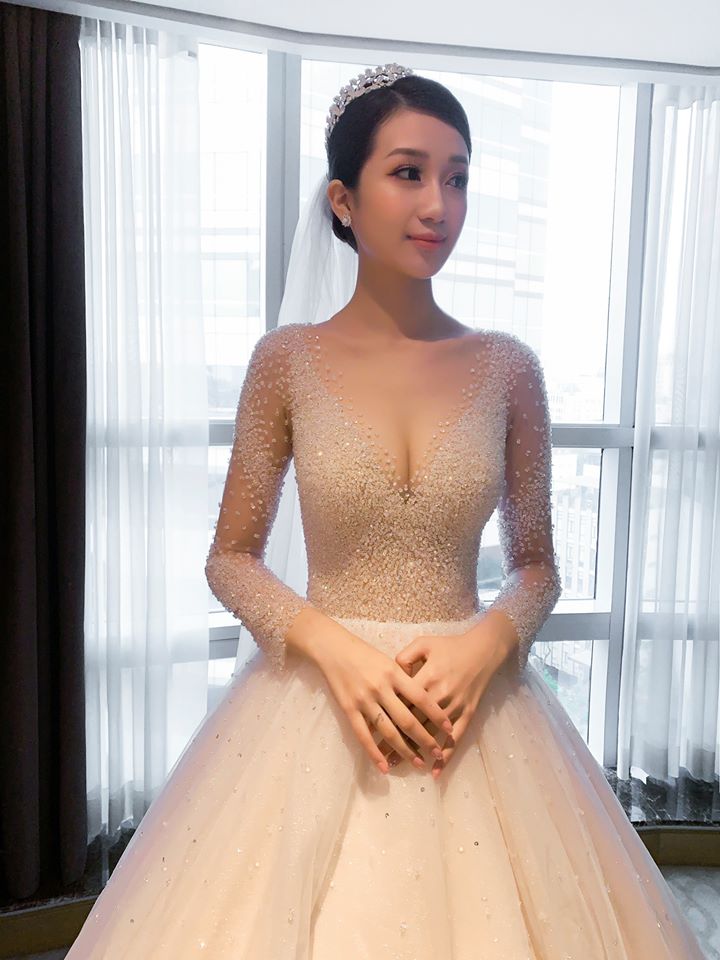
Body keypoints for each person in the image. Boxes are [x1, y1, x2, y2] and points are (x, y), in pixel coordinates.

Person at [67, 64, 706, 958]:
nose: (439, 204)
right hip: (318, 703)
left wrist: (485, 645)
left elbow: (537, 565)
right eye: (409, 173)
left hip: (474, 707)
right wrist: (335, 650)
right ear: (344, 199)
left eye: (458, 177)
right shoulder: (286, 361)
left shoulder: (509, 368)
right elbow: (230, 557)